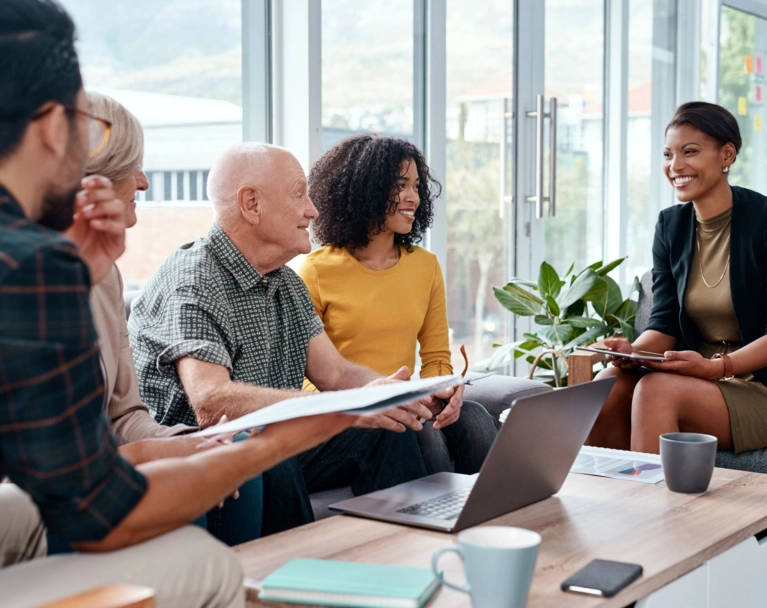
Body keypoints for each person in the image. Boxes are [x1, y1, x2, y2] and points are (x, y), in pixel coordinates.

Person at [0, 2, 357, 606]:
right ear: (51, 129)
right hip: (69, 492)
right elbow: (98, 509)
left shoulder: (61, 264)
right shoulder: (31, 262)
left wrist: (80, 278)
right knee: (207, 563)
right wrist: (274, 440)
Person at [129, 142, 432, 535]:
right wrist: (337, 409)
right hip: (204, 457)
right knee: (272, 447)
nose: (313, 209)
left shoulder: (285, 282)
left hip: (263, 445)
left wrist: (384, 395)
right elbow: (211, 401)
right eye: (298, 194)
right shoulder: (194, 279)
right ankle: (298, 587)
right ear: (251, 204)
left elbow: (337, 374)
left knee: (389, 428)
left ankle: (411, 557)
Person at [60, 91, 260, 549]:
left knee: (236, 463)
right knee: (183, 482)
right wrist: (160, 453)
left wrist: (192, 440)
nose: (145, 182)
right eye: (132, 167)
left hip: (106, 464)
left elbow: (125, 413)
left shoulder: (104, 275)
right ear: (90, 184)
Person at [298, 134, 498, 474]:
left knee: (475, 418)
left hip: (410, 401)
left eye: (417, 186)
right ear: (365, 189)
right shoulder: (315, 270)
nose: (413, 197)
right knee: (416, 431)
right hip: (353, 410)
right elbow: (309, 377)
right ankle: (430, 524)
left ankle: (498, 520)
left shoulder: (425, 266)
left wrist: (444, 392)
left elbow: (436, 357)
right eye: (400, 185)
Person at [588, 101, 767, 455]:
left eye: (690, 152)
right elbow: (664, 323)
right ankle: (615, 505)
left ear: (726, 154)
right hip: (697, 376)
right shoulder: (671, 226)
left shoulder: (762, 221)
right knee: (607, 383)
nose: (675, 166)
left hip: (756, 383)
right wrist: (634, 351)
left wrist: (718, 367)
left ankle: (653, 510)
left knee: (656, 390)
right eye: (668, 154)